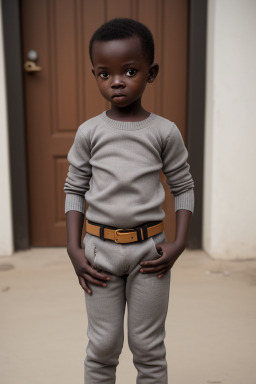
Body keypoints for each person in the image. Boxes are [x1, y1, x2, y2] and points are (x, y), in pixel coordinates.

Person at [64, 18, 194, 384]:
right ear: (95, 74)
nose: (116, 81)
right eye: (104, 73)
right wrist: (74, 249)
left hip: (149, 254)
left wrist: (179, 242)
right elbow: (74, 189)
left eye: (130, 71)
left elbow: (183, 186)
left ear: (151, 73)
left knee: (148, 347)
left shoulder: (164, 132)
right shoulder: (89, 132)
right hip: (98, 253)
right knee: (102, 346)